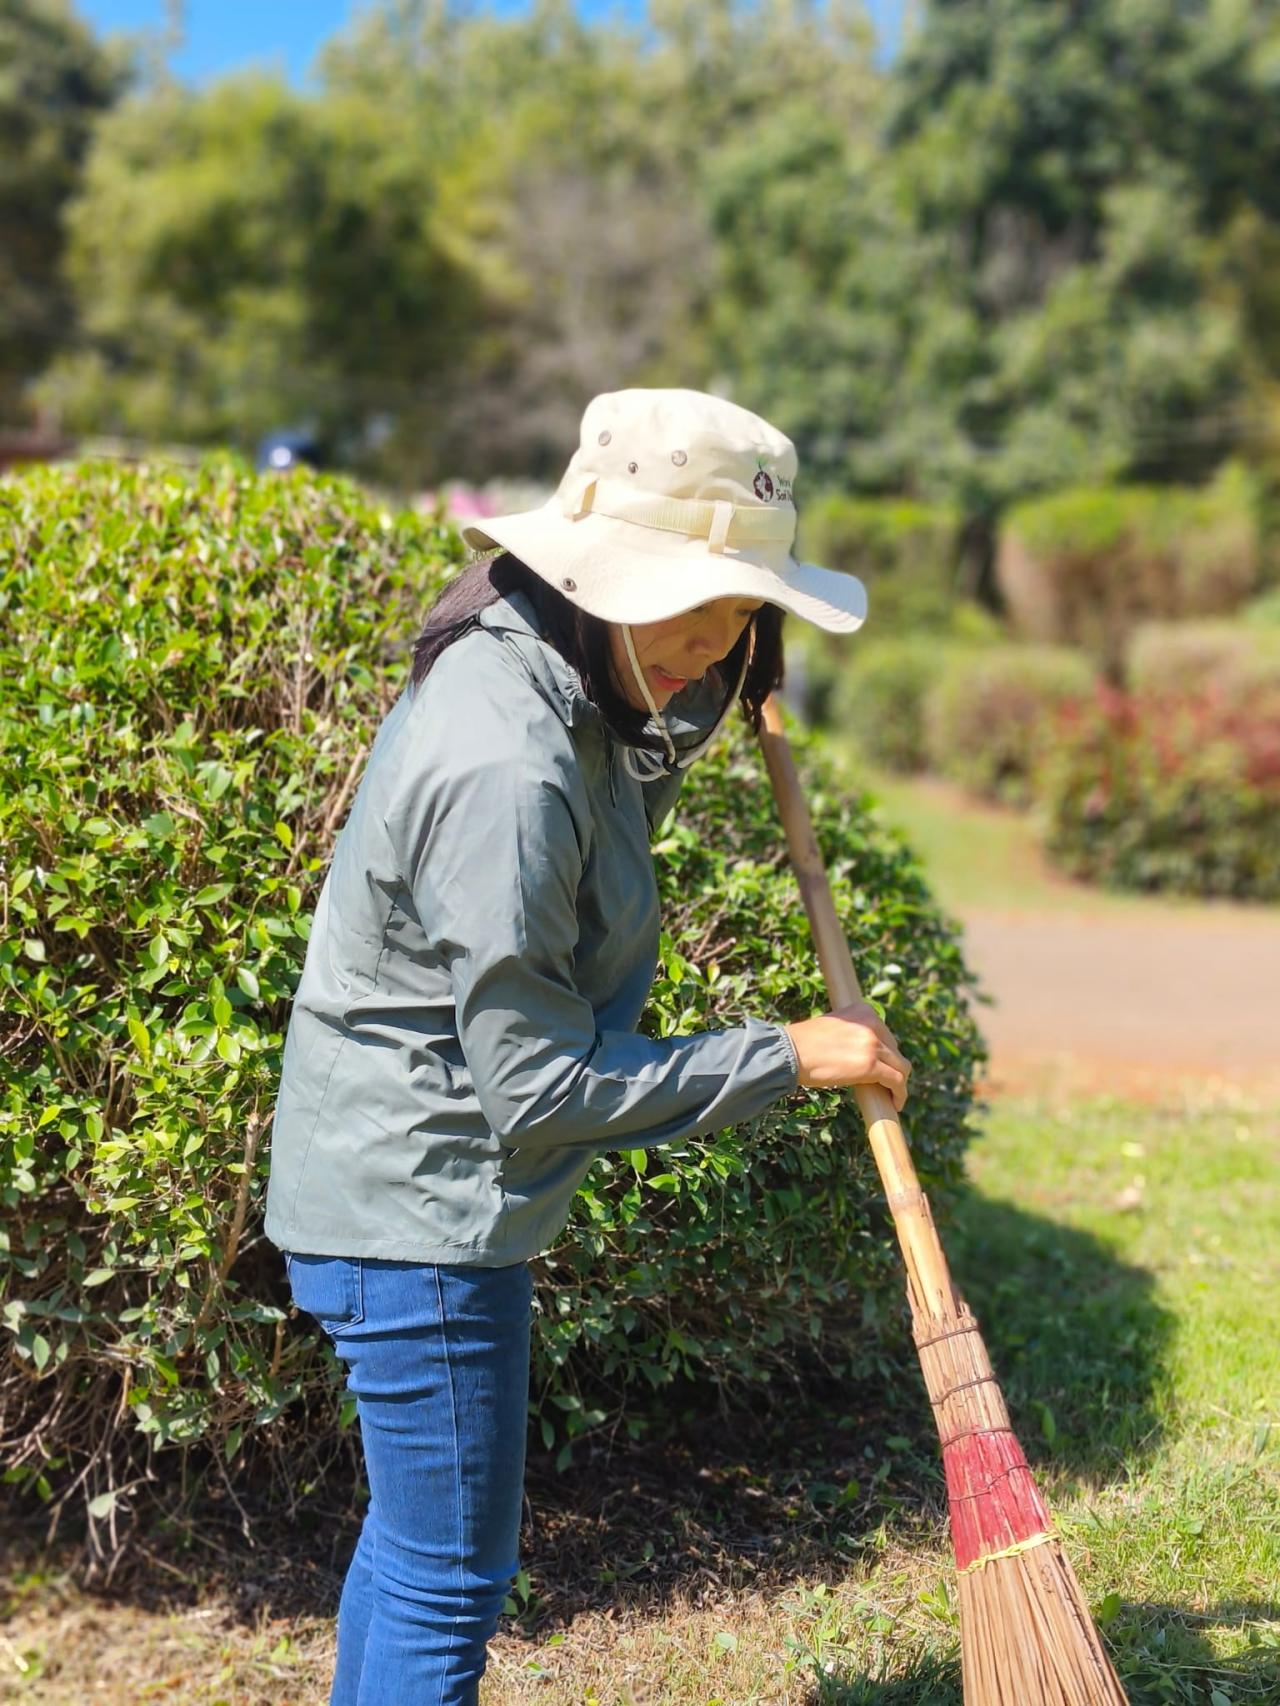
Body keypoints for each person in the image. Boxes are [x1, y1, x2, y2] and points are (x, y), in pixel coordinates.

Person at [263, 387, 912, 1705]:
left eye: (747, 613)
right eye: (710, 604)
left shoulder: (550, 651)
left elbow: (617, 781)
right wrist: (790, 1053)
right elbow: (542, 1090)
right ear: (612, 575)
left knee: (412, 1555)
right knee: (448, 1581)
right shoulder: (511, 761)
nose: (724, 637)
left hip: (386, 1182)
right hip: (418, 1216)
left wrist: (721, 665)